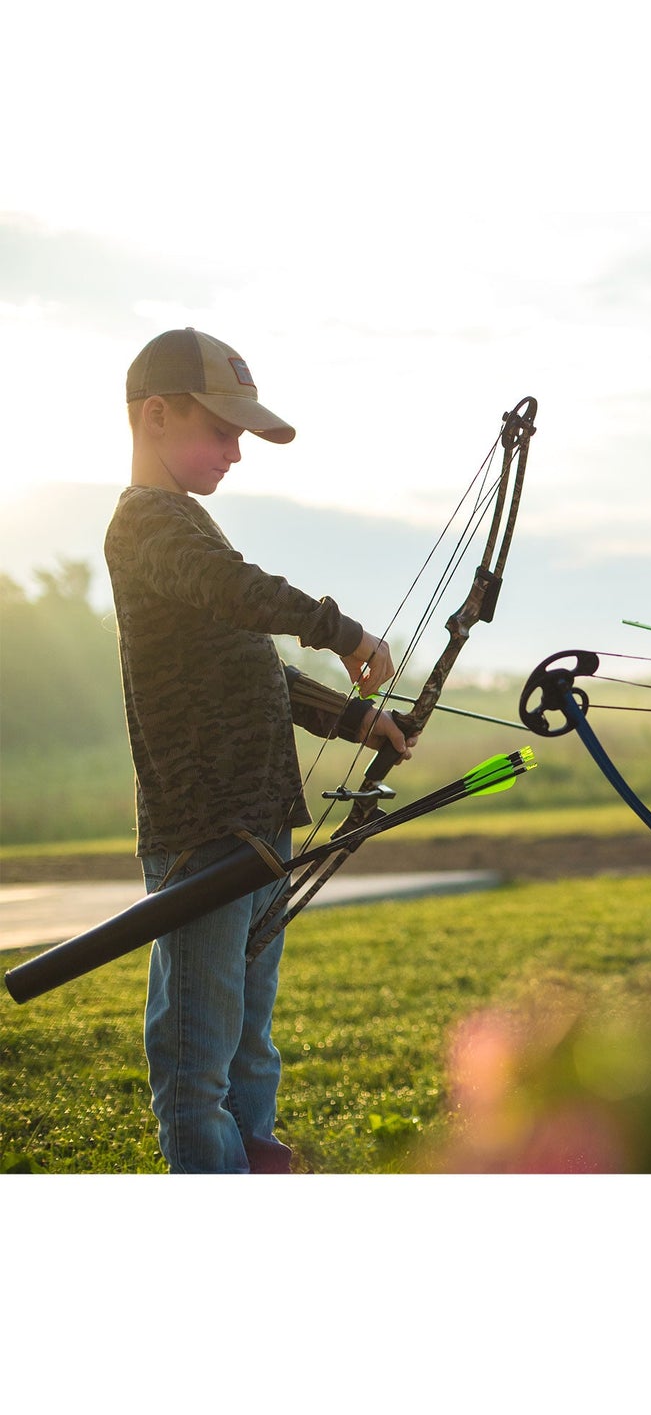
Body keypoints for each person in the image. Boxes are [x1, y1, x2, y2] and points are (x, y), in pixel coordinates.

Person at [107, 326, 414, 1173]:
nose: (236, 450)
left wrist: (356, 723)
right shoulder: (146, 524)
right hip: (204, 833)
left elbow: (250, 664)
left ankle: (257, 1162)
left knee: (248, 1046)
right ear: (157, 415)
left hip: (257, 829)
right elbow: (236, 593)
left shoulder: (187, 523)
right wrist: (336, 626)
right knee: (194, 1064)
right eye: (222, 429)